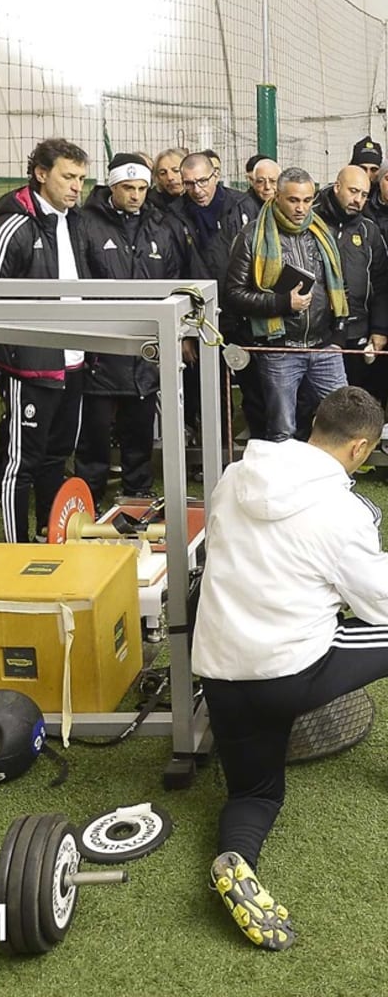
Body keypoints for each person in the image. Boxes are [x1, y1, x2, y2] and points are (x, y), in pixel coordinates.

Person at [192, 385, 388, 951]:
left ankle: (236, 860)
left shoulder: (236, 476)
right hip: (287, 675)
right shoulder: (343, 511)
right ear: (358, 448)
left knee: (255, 794)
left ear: (314, 425)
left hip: (221, 675)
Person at [0, 137, 90, 543]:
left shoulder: (75, 221)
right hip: (31, 365)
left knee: (56, 458)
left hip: (73, 360)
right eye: (68, 177)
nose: (77, 187)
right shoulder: (14, 226)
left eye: (81, 178)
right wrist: (9, 354)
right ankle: (15, 549)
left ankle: (47, 536)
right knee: (20, 463)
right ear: (42, 175)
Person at [73, 152, 181, 509]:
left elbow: (172, 280)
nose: (136, 195)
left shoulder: (160, 227)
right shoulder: (85, 224)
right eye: (127, 188)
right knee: (95, 432)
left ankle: (138, 490)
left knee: (139, 428)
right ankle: (90, 495)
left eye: (141, 188)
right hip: (102, 349)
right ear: (112, 186)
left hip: (145, 349)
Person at [224, 166, 349, 440]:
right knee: (282, 429)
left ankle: (340, 482)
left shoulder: (321, 233)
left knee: (343, 423)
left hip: (324, 346)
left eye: (307, 200)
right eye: (293, 200)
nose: (301, 208)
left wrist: (338, 334)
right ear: (277, 197)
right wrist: (282, 303)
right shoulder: (251, 236)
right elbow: (233, 295)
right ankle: (283, 484)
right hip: (279, 348)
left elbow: (339, 284)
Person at [162, 152, 264, 442]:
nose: (197, 190)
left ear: (215, 176)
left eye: (202, 181)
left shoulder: (243, 206)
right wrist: (184, 329)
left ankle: (259, 452)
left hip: (244, 315)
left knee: (255, 389)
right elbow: (173, 272)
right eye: (189, 183)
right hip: (199, 319)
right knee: (206, 392)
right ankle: (210, 456)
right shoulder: (173, 215)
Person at [314, 165, 388, 391]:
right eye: (353, 191)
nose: (358, 199)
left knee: (359, 400)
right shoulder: (311, 222)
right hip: (317, 332)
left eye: (364, 195)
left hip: (359, 331)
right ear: (337, 187)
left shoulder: (369, 230)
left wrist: (379, 328)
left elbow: (381, 283)